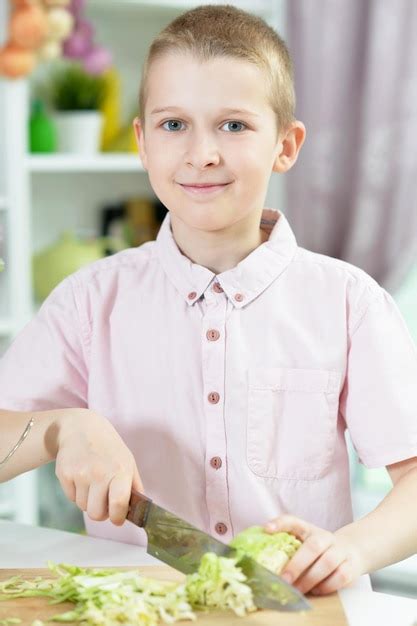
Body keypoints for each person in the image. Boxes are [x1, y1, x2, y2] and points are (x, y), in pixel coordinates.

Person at [1, 4, 417, 597]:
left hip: (299, 607)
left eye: (234, 125)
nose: (202, 153)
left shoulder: (350, 303)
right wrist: (60, 429)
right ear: (142, 143)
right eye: (174, 125)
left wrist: (350, 549)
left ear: (286, 144)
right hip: (137, 606)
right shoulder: (89, 303)